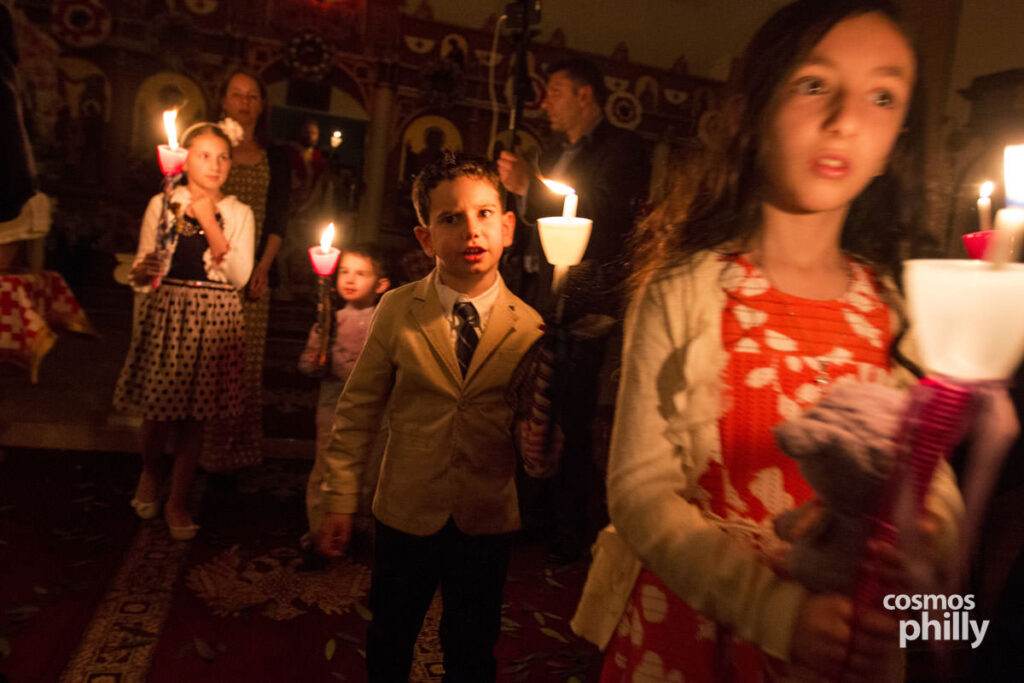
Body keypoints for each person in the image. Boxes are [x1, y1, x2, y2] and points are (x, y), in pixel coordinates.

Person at [570, 2, 965, 681]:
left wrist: (933, 525)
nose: (845, 118)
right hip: (698, 623)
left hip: (842, 637)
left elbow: (933, 470)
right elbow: (639, 490)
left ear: (898, 140)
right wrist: (773, 609)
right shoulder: (689, 290)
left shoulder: (896, 312)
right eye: (815, 84)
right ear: (753, 109)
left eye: (881, 95)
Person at [316, 155, 545, 681]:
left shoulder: (530, 326)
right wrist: (339, 498)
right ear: (425, 239)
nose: (472, 229)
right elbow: (358, 410)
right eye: (451, 218)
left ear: (508, 227)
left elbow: (528, 422)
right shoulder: (397, 310)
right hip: (407, 510)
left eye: (485, 213)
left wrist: (537, 443)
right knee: (391, 635)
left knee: (472, 644)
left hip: (485, 515)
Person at [497, 57, 650, 562]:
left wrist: (530, 188)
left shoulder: (623, 148)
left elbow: (600, 208)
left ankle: (568, 526)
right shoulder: (557, 152)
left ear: (587, 95)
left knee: (573, 411)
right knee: (533, 406)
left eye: (557, 91)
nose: (546, 103)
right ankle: (531, 512)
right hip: (542, 294)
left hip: (586, 298)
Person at [114, 122, 254, 540]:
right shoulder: (162, 204)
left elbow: (241, 275)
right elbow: (142, 269)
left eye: (222, 156)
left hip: (214, 317)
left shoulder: (239, 213)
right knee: (158, 412)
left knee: (196, 418)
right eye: (204, 155)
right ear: (185, 158)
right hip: (171, 312)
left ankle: (177, 497)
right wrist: (144, 270)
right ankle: (150, 473)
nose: (214, 165)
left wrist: (210, 220)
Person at [200, 68, 290, 473]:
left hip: (251, 274)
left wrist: (264, 268)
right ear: (223, 100)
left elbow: (278, 219)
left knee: (241, 368)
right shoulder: (206, 149)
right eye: (236, 94)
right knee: (200, 363)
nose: (245, 103)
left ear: (263, 104)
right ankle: (193, 453)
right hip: (204, 270)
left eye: (253, 96)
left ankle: (232, 455)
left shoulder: (277, 156)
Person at [299, 244, 390, 547]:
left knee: (372, 463)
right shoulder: (329, 321)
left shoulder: (385, 321)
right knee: (327, 462)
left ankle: (361, 524)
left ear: (381, 285)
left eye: (361, 273)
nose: (350, 279)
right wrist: (314, 361)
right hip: (334, 401)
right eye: (345, 272)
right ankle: (319, 525)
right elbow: (309, 360)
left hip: (376, 404)